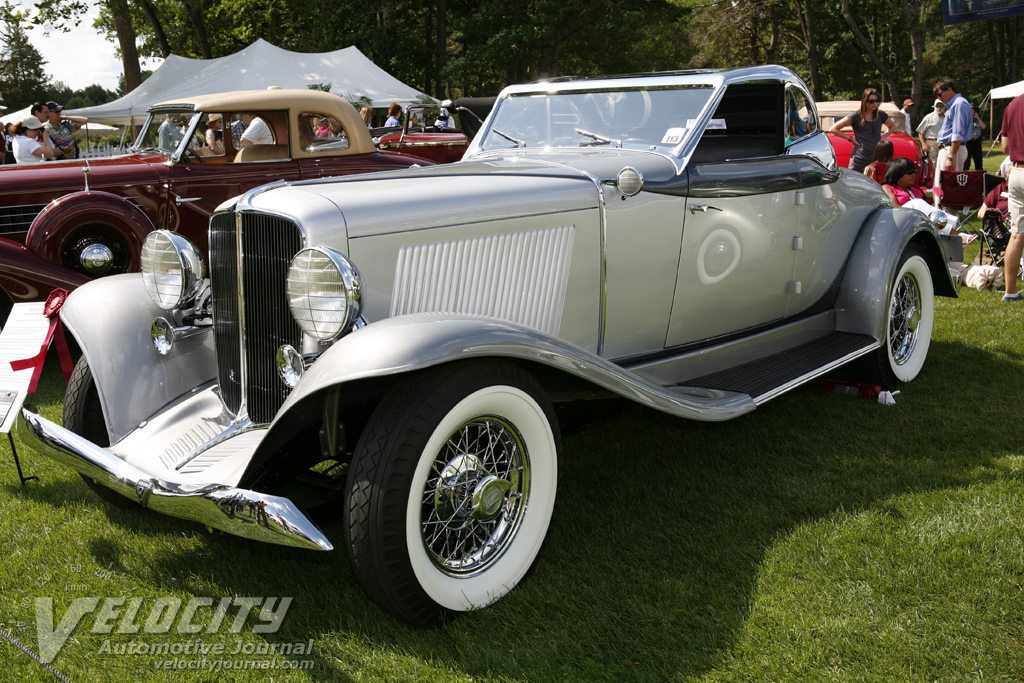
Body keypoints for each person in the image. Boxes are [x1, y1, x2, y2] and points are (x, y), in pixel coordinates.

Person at [881, 157, 963, 236]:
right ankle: (955, 233)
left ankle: (952, 233)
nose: (913, 175)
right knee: (917, 202)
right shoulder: (887, 188)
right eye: (909, 172)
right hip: (899, 220)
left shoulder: (915, 191)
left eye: (915, 172)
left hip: (917, 223)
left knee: (920, 205)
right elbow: (894, 207)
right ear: (897, 174)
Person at [828, 88, 897, 173]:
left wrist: (882, 137)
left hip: (876, 158)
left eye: (877, 100)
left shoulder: (881, 115)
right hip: (859, 158)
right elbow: (833, 129)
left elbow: (892, 126)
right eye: (871, 101)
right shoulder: (856, 115)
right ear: (865, 101)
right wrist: (850, 139)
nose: (875, 103)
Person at [998, 91, 1024, 301]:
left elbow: (1005, 147)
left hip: (1015, 172)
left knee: (1017, 234)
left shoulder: (1012, 105)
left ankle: (1011, 291)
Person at [933, 78, 972, 185]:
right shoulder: (954, 105)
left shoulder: (958, 104)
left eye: (940, 94)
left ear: (949, 89)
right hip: (951, 149)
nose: (939, 98)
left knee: (948, 186)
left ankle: (946, 203)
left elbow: (957, 134)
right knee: (941, 185)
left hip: (953, 149)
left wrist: (951, 157)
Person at [917, 99, 945, 167]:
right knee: (933, 163)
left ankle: (941, 177)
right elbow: (921, 132)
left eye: (941, 105)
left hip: (944, 143)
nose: (939, 107)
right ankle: (934, 177)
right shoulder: (928, 117)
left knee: (943, 162)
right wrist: (924, 144)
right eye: (937, 105)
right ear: (934, 106)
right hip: (931, 142)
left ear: (944, 107)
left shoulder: (947, 117)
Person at [964, 105, 986, 171]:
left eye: (972, 109)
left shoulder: (977, 119)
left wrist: (978, 118)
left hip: (977, 141)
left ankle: (979, 172)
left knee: (978, 159)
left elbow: (983, 127)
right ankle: (965, 172)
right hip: (968, 141)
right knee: (967, 160)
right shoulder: (966, 118)